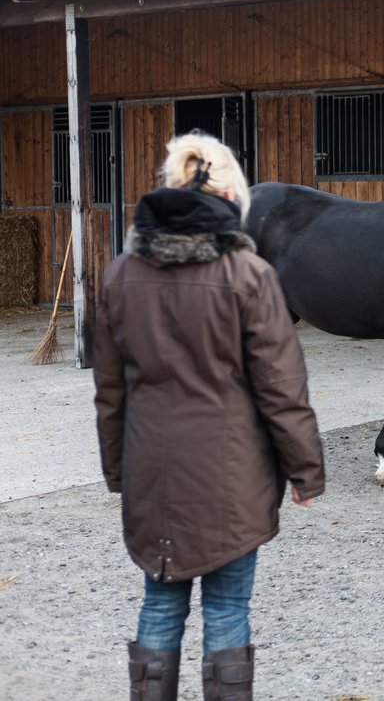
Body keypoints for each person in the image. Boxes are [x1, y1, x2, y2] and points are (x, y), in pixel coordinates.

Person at [94, 132, 325, 701]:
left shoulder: (121, 274)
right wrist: (305, 470)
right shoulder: (249, 275)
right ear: (230, 191)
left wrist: (119, 472)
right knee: (226, 608)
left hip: (153, 472)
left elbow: (109, 392)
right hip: (231, 476)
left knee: (159, 600)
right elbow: (282, 387)